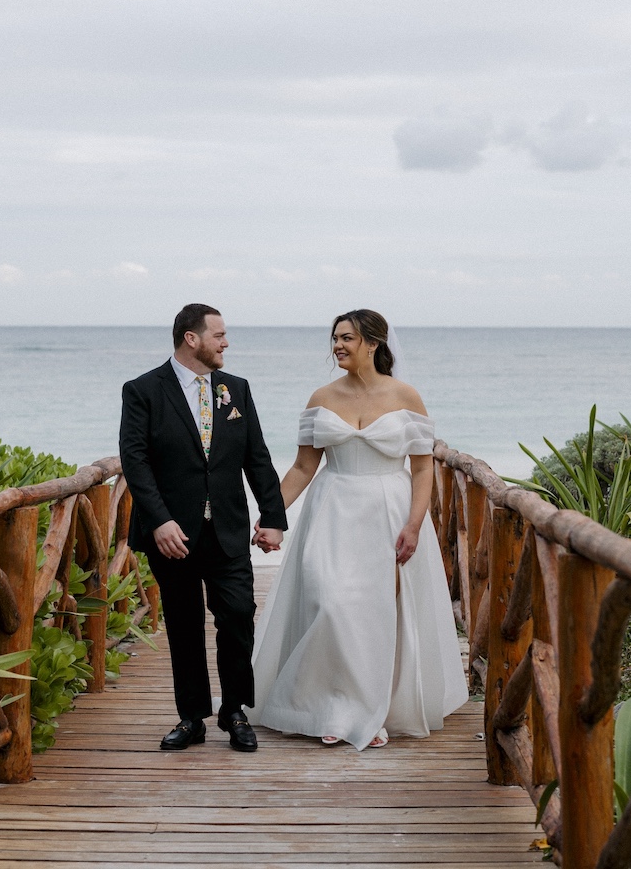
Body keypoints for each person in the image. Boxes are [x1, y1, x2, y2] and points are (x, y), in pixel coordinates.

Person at [248, 309, 468, 749]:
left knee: (374, 612)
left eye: (347, 338)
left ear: (374, 343)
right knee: (330, 602)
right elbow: (303, 466)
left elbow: (423, 470)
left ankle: (365, 710)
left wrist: (414, 523)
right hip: (331, 509)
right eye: (334, 339)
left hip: (389, 510)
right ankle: (331, 704)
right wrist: (272, 517)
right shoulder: (321, 397)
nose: (337, 346)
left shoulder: (406, 396)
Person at [118, 303, 288, 752]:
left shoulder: (237, 390)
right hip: (171, 536)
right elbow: (136, 462)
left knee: (236, 618)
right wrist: (159, 521)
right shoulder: (142, 391)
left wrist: (272, 517)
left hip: (228, 530)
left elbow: (258, 456)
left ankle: (235, 711)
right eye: (219, 335)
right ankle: (191, 718)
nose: (226, 343)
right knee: (183, 625)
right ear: (191, 339)